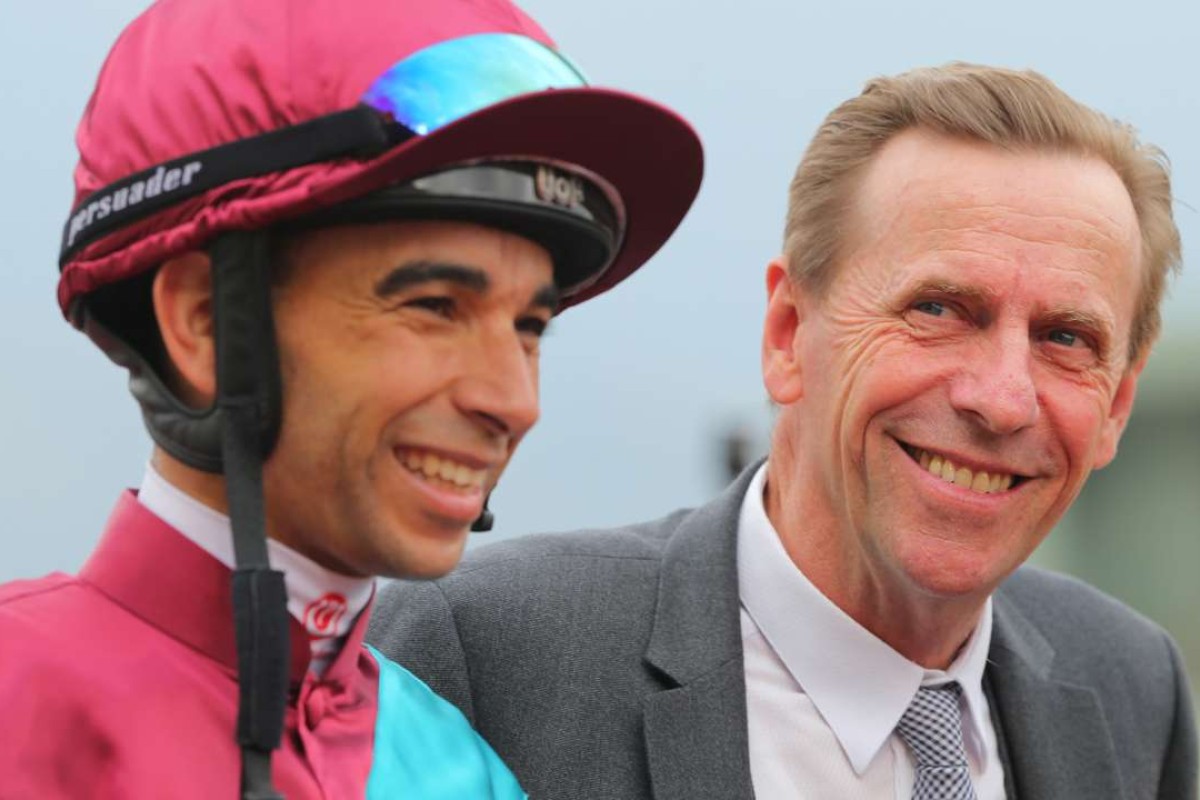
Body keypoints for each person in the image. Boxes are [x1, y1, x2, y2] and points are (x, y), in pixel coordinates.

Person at [369, 63, 1198, 800]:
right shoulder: (479, 657)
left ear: (1118, 405)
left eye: (1066, 339)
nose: (1004, 400)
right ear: (787, 334)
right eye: (939, 310)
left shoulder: (1131, 685)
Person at [0, 0, 702, 797]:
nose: (514, 401)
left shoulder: (472, 774)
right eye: (436, 306)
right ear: (205, 325)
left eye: (530, 326)